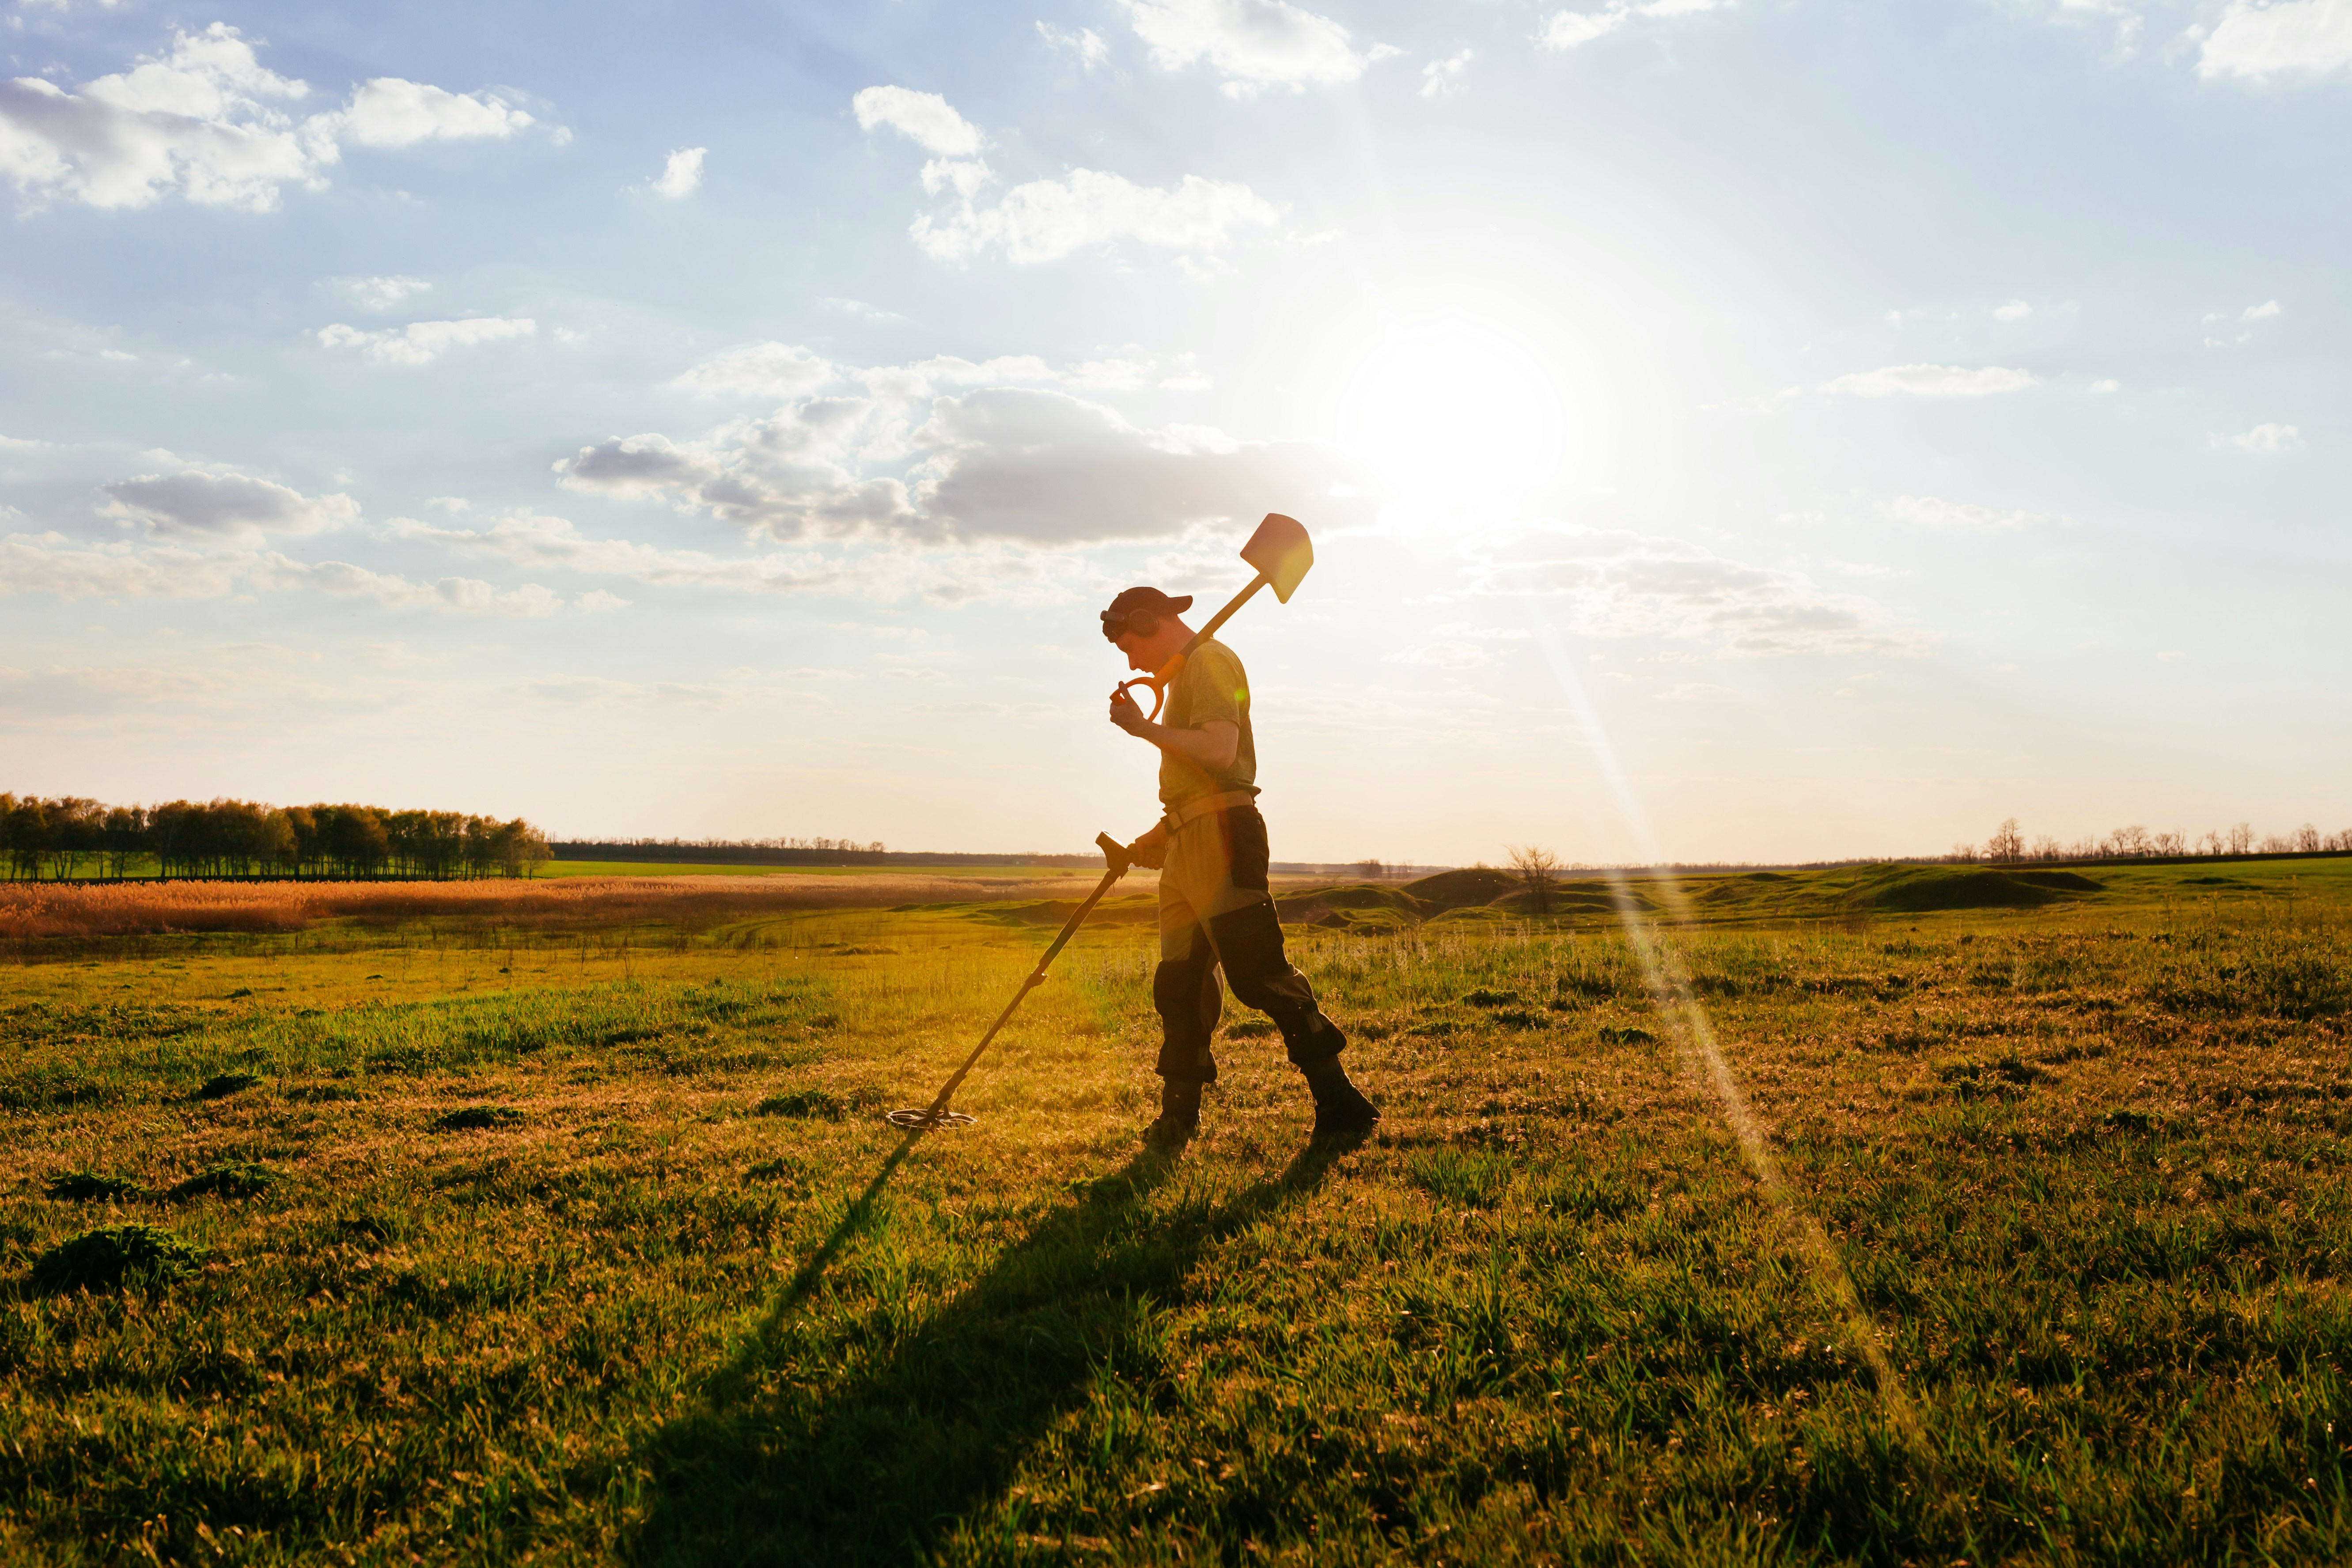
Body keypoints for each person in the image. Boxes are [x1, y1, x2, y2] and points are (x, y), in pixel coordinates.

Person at [1102, 585, 1379, 1154]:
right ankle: (1177, 1120)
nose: (1131, 662)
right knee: (1179, 987)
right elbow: (1197, 777)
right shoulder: (1184, 674)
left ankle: (1341, 1103)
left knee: (1258, 974)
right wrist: (1162, 832)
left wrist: (1143, 729)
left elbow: (1220, 752)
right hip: (1187, 840)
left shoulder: (1211, 661)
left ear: (1152, 622)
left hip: (1226, 839)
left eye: (1131, 645)